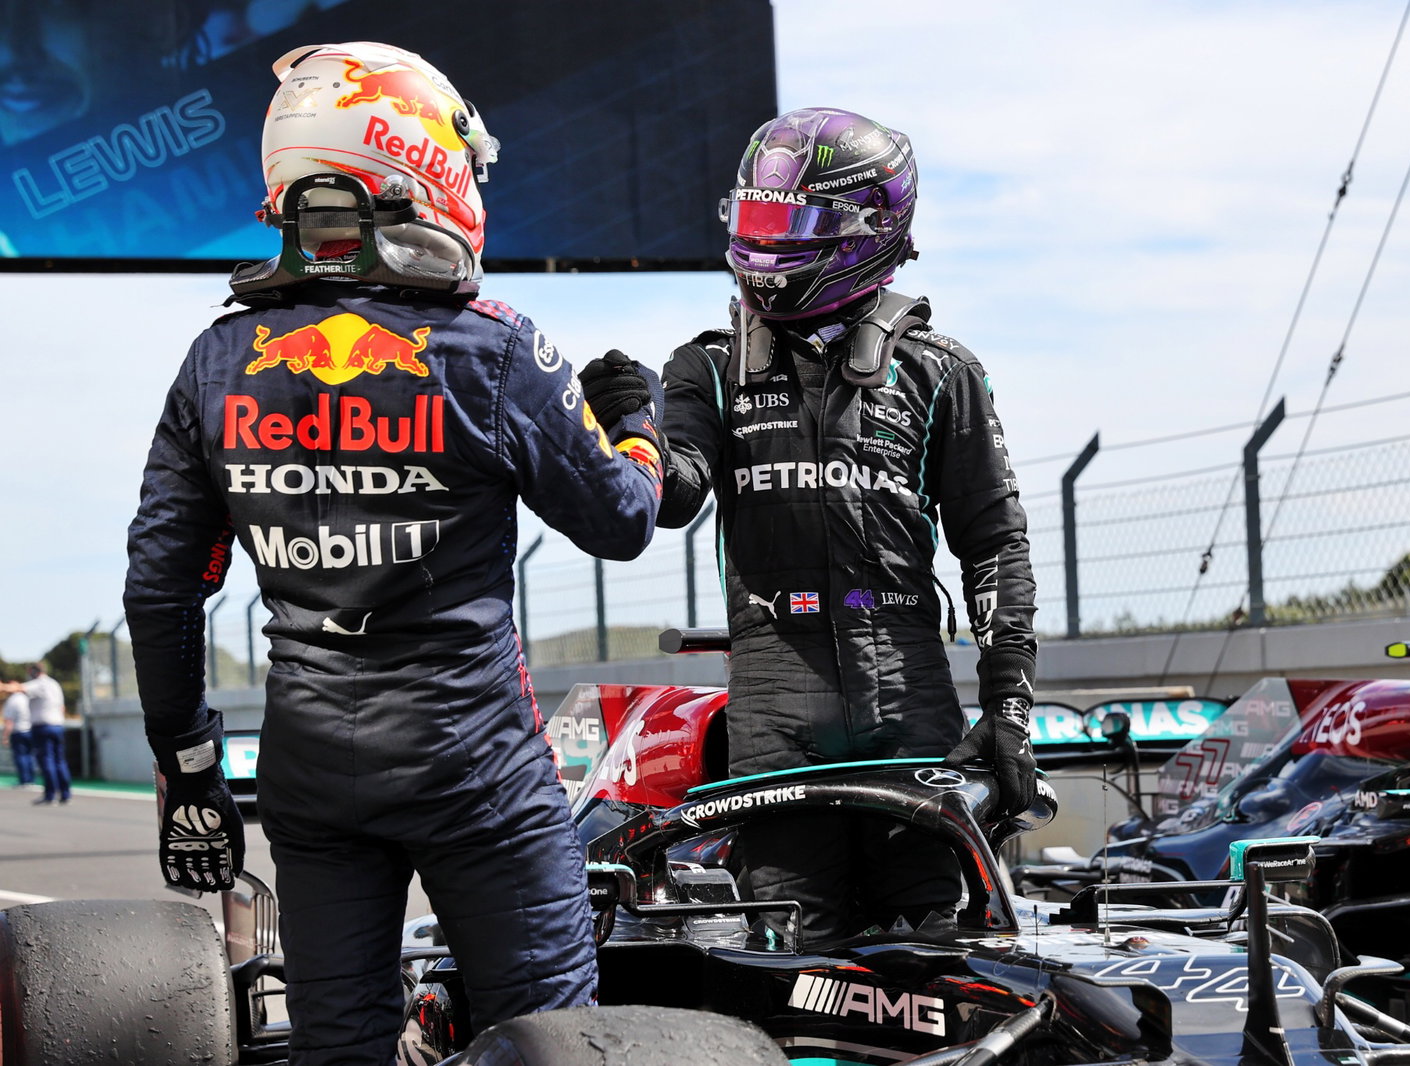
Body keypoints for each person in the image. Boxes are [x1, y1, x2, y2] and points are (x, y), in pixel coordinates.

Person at [123, 42, 667, 1066]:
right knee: (553, 1038)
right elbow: (625, 518)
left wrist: (189, 767)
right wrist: (636, 423)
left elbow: (160, 586)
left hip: (309, 767)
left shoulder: (216, 358)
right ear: (418, 165)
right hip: (477, 769)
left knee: (340, 1049)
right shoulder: (494, 346)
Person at [647, 107, 1038, 945]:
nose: (766, 245)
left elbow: (994, 540)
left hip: (912, 715)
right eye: (757, 220)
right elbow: (674, 497)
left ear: (870, 229)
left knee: (937, 970)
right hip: (775, 724)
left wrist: (1009, 709)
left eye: (790, 225)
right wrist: (631, 431)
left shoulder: (941, 370)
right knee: (792, 976)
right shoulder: (708, 366)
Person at [0, 663, 68, 803]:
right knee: (59, 760)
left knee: (46, 760)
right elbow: (62, 707)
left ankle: (50, 795)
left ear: (34, 672)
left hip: (43, 727)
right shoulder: (55, 684)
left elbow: (19, 687)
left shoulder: (40, 684)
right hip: (58, 726)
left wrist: (4, 687)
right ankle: (65, 793)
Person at [3, 686, 34, 787]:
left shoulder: (12, 701)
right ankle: (30, 779)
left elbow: (9, 720)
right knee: (29, 756)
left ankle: (24, 780)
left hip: (19, 731)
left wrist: (5, 736)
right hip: (30, 730)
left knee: (20, 756)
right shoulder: (26, 698)